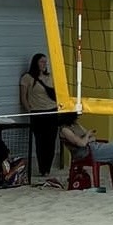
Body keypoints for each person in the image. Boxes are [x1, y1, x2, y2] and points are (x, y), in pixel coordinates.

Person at [19, 51, 64, 186]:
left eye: (45, 62)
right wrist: (30, 110)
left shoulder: (49, 77)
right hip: (37, 112)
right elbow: (23, 97)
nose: (44, 64)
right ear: (36, 63)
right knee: (40, 141)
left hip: (52, 111)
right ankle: (42, 168)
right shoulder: (27, 78)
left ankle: (47, 169)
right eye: (41, 62)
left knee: (51, 141)